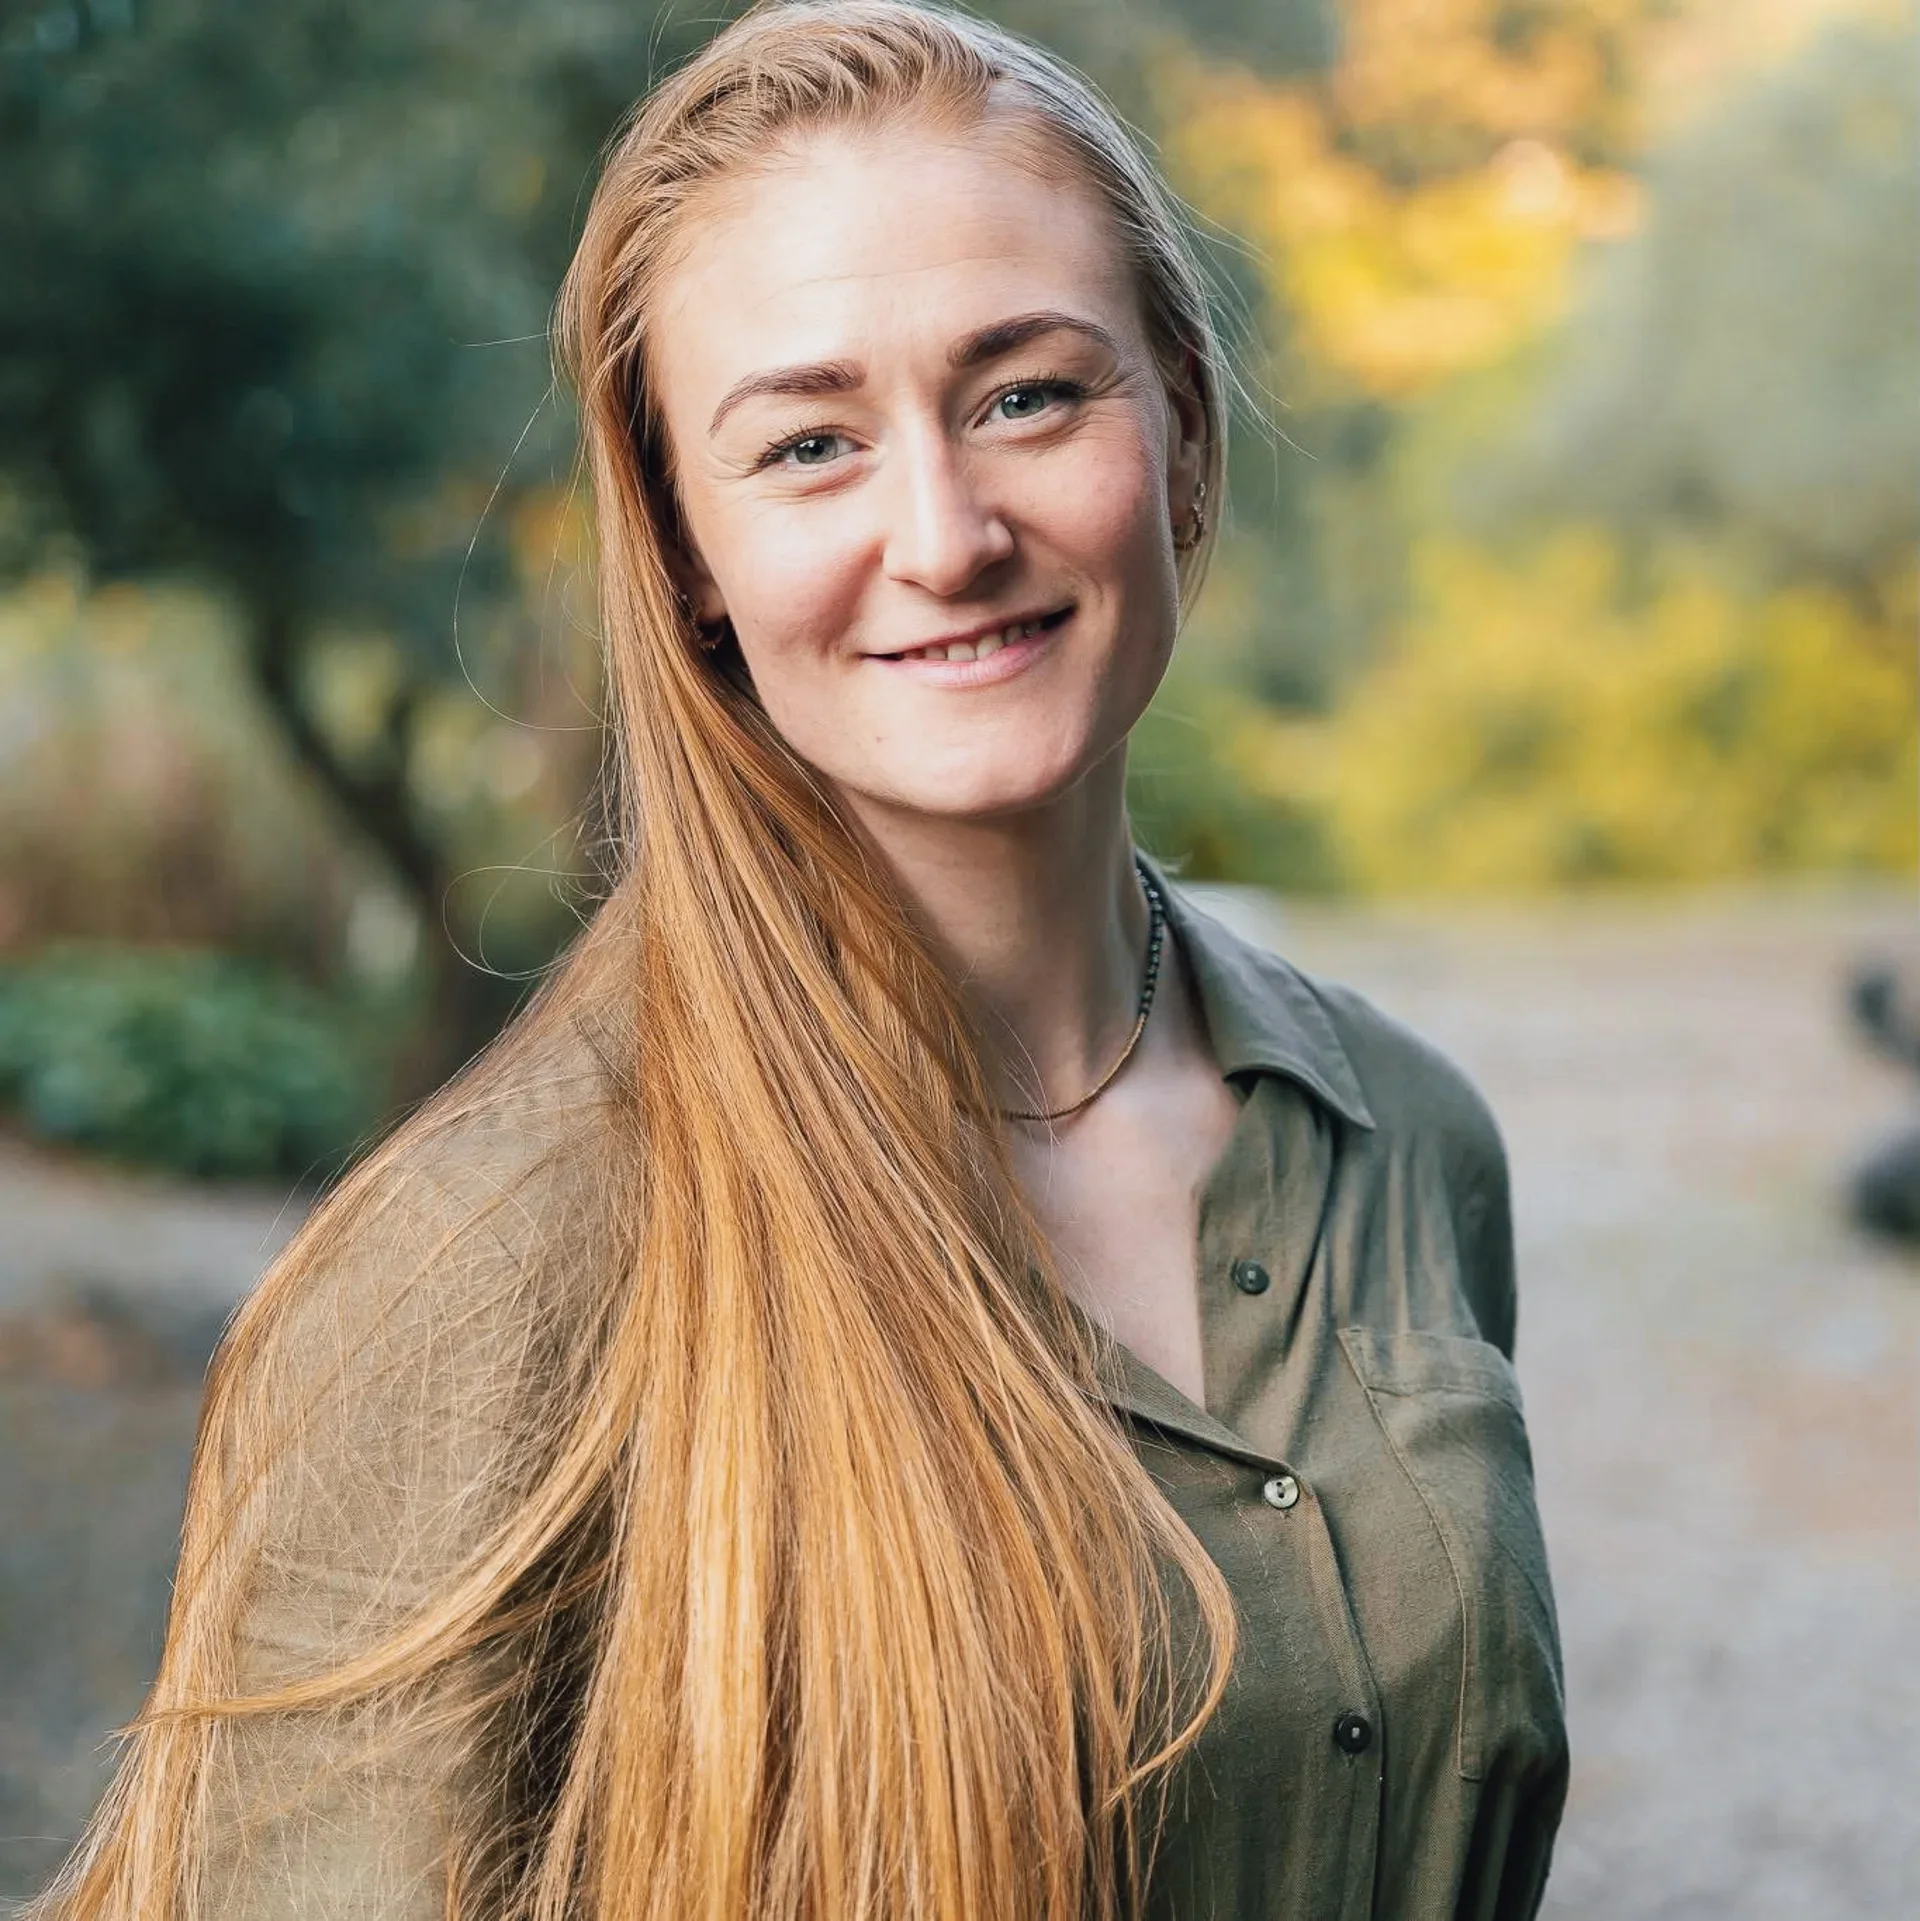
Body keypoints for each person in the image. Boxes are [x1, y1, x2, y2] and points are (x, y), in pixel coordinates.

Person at [34, 3, 1567, 1915]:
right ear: (683, 549)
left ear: (1180, 424)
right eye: (809, 444)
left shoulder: (1409, 1141)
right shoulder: (486, 1271)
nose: (942, 533)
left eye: (1026, 395)